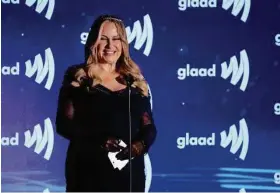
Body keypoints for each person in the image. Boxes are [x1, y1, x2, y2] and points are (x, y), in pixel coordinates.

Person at [55, 14, 157, 192]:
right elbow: (64, 125)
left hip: (129, 177)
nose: (110, 45)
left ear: (123, 44)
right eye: (104, 39)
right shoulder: (79, 79)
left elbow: (148, 127)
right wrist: (100, 140)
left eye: (116, 39)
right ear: (94, 42)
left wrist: (139, 146)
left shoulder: (134, 81)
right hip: (88, 174)